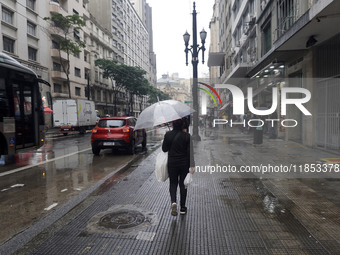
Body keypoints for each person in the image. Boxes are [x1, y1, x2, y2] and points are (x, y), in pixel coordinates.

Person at [162, 118, 195, 216]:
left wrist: (166, 139)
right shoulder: (187, 136)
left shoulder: (168, 135)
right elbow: (190, 152)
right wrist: (192, 165)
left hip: (172, 163)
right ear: (182, 126)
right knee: (183, 185)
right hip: (184, 164)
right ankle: (183, 208)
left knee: (173, 183)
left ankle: (173, 202)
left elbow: (164, 149)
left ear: (173, 125)